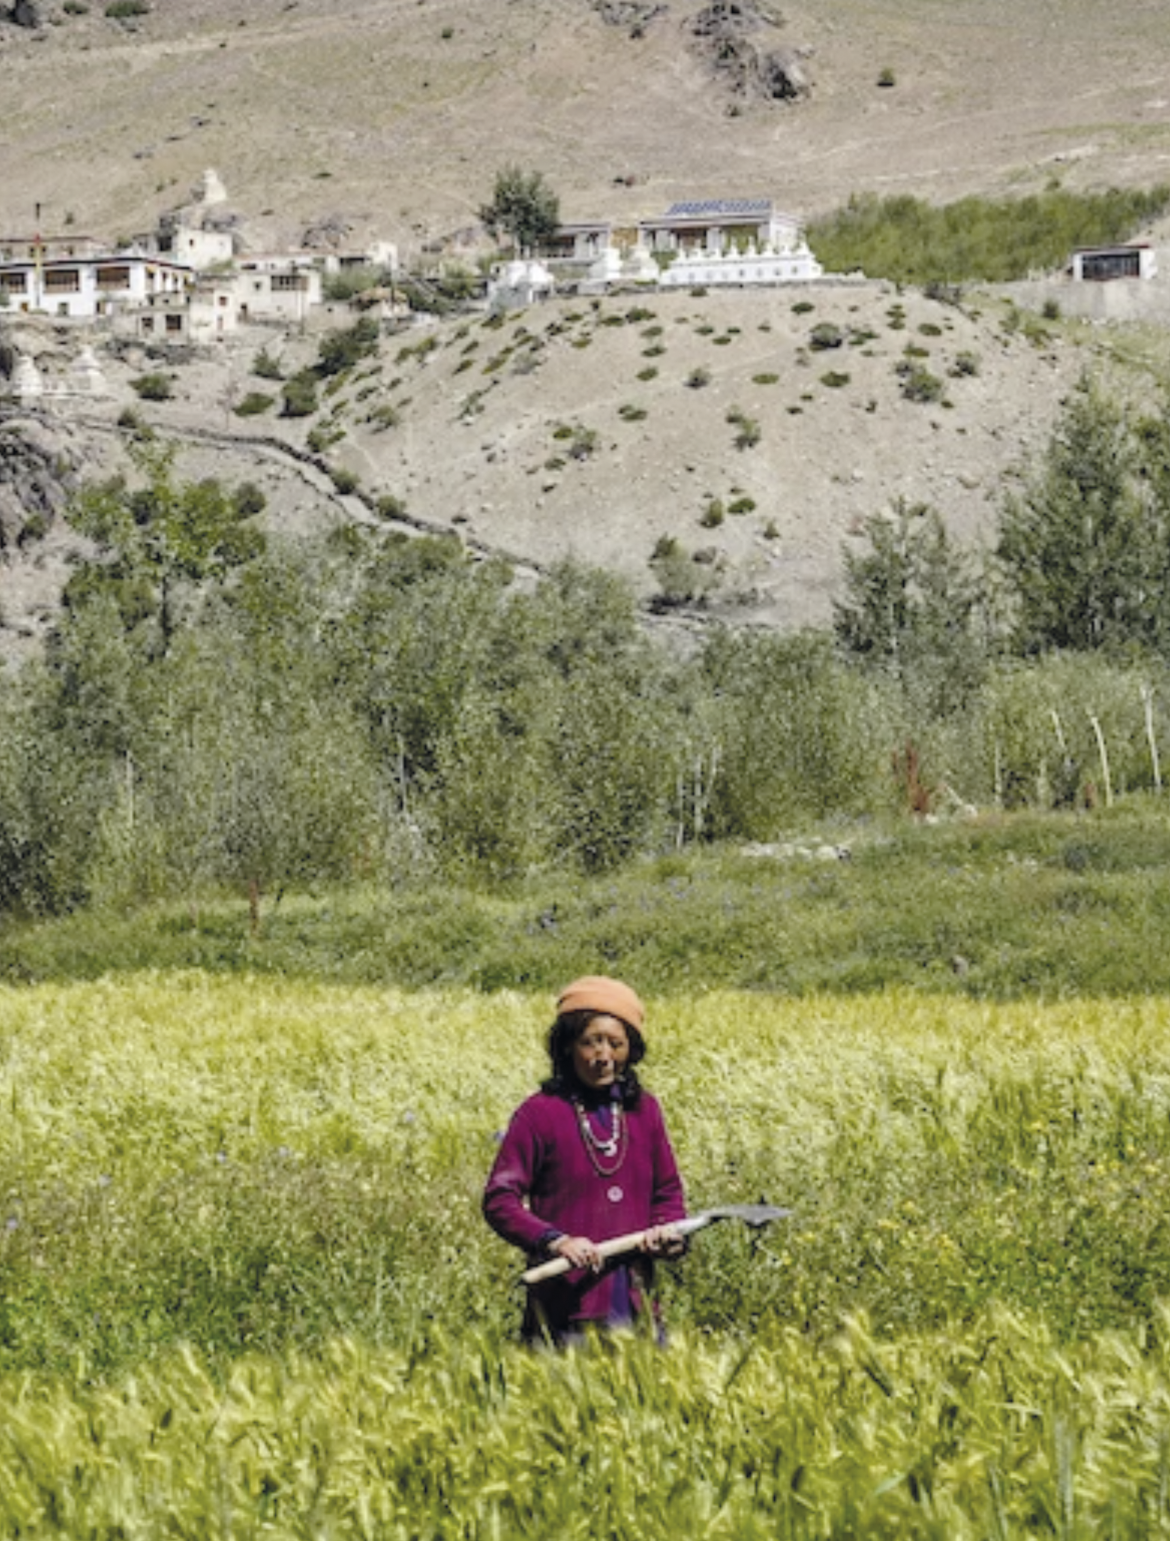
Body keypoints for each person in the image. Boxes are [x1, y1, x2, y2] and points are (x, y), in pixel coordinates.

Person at [483, 974, 687, 1345]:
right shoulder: (539, 1114)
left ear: (631, 1049)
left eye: (616, 1044)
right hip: (564, 1310)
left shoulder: (644, 1111)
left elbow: (667, 1191)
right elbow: (500, 1200)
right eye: (591, 1042)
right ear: (567, 1046)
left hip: (634, 1306)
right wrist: (555, 1241)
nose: (604, 1056)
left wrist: (668, 1233)